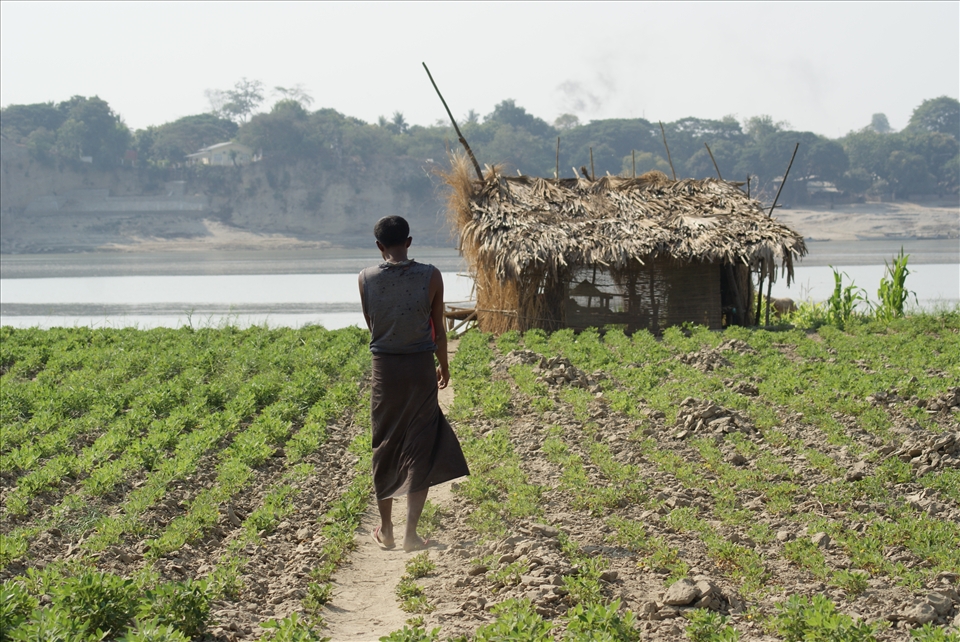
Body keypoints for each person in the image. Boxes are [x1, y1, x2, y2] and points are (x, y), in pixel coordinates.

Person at [358, 215, 469, 552]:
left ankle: (387, 531)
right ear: (409, 241)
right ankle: (410, 535)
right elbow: (438, 328)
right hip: (420, 368)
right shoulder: (431, 275)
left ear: (379, 247)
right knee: (419, 445)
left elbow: (372, 324)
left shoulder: (365, 279)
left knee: (386, 444)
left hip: (385, 372)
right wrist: (443, 366)